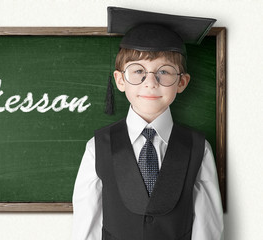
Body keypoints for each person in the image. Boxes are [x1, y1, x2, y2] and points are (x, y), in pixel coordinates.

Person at [72, 7, 224, 240]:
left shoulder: (198, 148)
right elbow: (86, 225)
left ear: (181, 82)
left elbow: (208, 227)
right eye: (138, 71)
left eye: (164, 72)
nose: (150, 82)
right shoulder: (98, 147)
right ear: (120, 80)